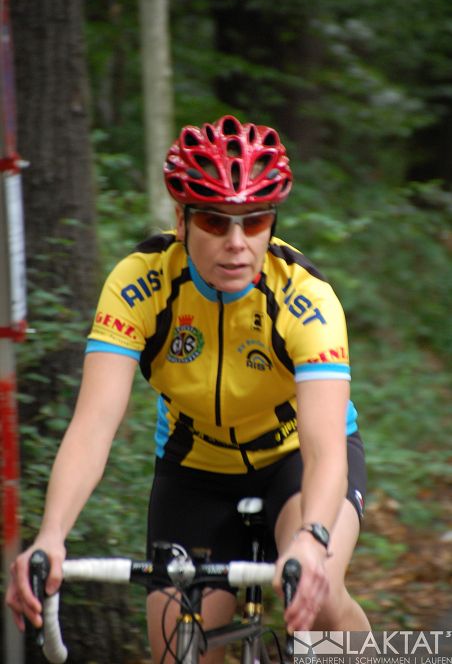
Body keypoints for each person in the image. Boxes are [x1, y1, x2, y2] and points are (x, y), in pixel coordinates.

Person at [6, 114, 370, 662]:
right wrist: (51, 534)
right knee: (179, 651)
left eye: (254, 222)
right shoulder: (140, 284)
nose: (236, 244)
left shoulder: (307, 299)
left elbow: (324, 450)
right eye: (215, 223)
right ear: (181, 219)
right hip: (195, 467)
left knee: (319, 598)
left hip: (295, 458)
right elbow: (93, 426)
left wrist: (313, 538)